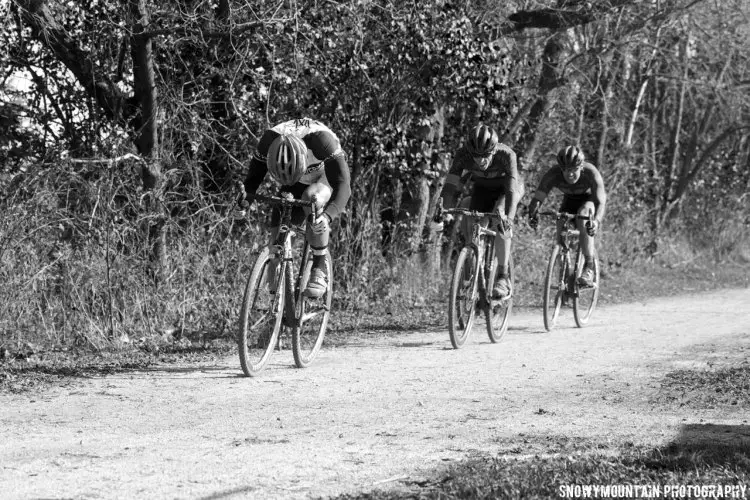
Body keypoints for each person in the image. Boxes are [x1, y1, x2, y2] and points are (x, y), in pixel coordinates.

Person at [240, 118, 351, 298]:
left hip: (324, 177)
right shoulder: (269, 141)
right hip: (294, 179)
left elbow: (343, 185)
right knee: (277, 233)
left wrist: (327, 216)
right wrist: (244, 202)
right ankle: (274, 299)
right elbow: (252, 180)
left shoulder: (322, 142)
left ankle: (318, 267)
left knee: (311, 198)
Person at [436, 124, 524, 299]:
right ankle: (475, 270)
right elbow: (451, 186)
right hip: (483, 189)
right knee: (473, 222)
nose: (481, 160)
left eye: (486, 156)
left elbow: (512, 192)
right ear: (470, 152)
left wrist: (509, 219)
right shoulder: (463, 155)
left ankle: (502, 277)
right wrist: (443, 210)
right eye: (477, 156)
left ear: (493, 150)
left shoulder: (506, 155)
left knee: (500, 216)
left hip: (508, 190)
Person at [527, 146, 607, 287]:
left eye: (573, 170)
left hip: (588, 200)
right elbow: (538, 198)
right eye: (565, 170)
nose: (569, 174)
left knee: (583, 217)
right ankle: (564, 271)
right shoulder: (553, 174)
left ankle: (589, 266)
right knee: (560, 222)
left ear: (581, 167)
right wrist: (533, 213)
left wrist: (596, 222)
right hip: (569, 201)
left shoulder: (591, 173)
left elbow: (601, 202)